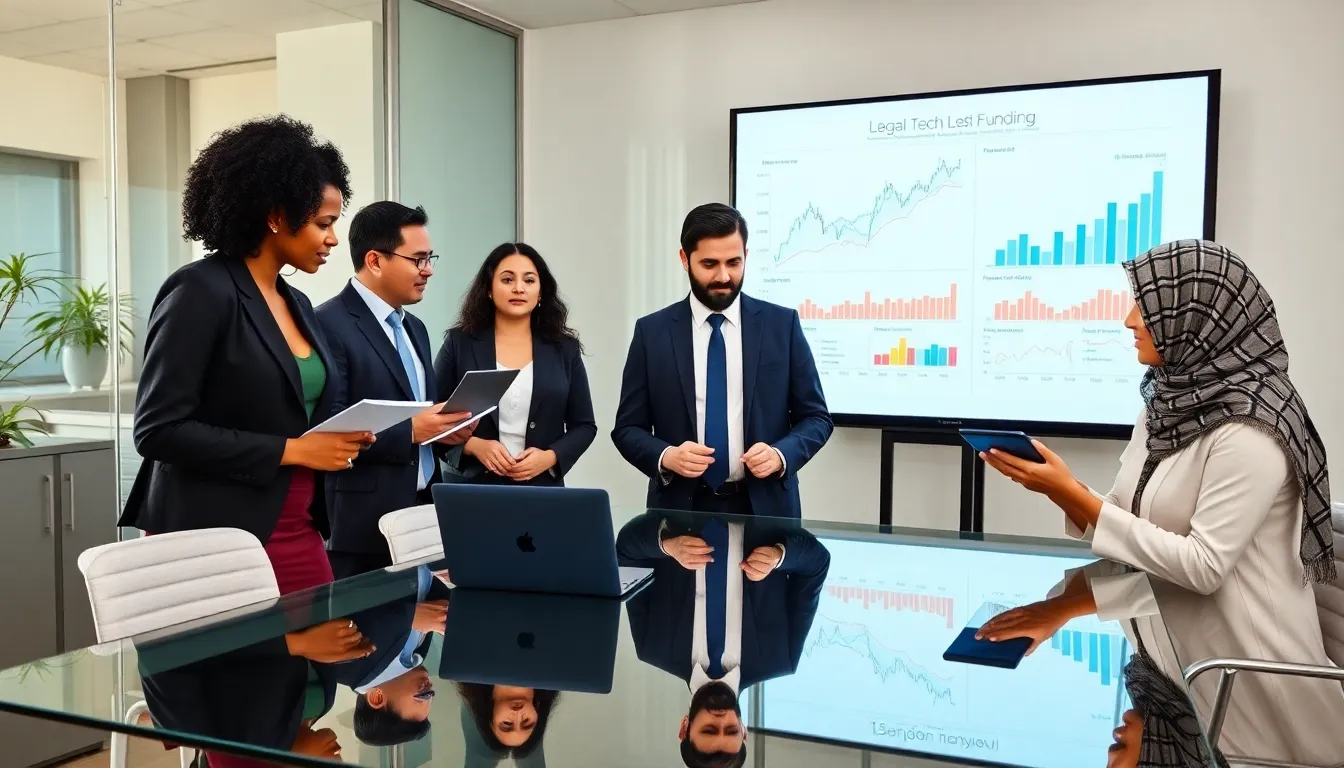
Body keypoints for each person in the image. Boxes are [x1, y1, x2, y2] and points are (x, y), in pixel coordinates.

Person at [977, 240, 1344, 764]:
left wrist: (1070, 493)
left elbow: (1202, 567)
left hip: (1254, 710)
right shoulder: (1168, 401)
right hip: (1176, 673)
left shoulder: (1251, 427)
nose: (1129, 320)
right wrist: (1061, 602)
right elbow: (1133, 525)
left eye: (1146, 307)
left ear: (1196, 317)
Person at [122, 116, 374, 596]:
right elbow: (158, 430)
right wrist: (293, 450)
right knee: (247, 668)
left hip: (299, 528)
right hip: (212, 537)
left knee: (314, 667)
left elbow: (289, 406)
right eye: (323, 223)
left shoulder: (296, 303)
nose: (334, 239)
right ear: (276, 216)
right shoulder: (200, 290)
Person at [611, 203, 832, 517]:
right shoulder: (652, 333)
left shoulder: (782, 326)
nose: (724, 276)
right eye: (710, 264)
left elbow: (817, 418)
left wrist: (781, 455)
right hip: (678, 511)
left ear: (746, 256)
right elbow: (627, 428)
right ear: (684, 260)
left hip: (767, 510)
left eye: (734, 262)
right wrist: (667, 456)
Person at [315, 202, 474, 578]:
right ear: (375, 260)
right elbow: (326, 426)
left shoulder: (415, 328)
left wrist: (449, 433)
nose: (428, 270)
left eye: (430, 258)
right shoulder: (327, 324)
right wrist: (413, 431)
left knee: (421, 633)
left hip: (425, 518)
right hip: (361, 528)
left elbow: (421, 417)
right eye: (418, 259)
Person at [616, 510, 830, 767]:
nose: (721, 718)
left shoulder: (654, 647)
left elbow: (626, 550)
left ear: (685, 727)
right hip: (760, 490)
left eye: (708, 729)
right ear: (744, 730)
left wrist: (666, 546)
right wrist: (779, 556)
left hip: (686, 487)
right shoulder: (779, 658)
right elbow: (817, 564)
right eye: (730, 730)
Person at [433, 243, 596, 485]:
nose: (519, 288)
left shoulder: (564, 348)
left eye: (529, 281)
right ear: (489, 289)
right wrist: (472, 446)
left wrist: (550, 457)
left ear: (540, 292)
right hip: (472, 491)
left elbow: (584, 425)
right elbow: (431, 417)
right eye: (507, 280)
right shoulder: (460, 343)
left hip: (542, 490)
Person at [457, 683, 560, 761]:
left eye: (507, 724)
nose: (518, 715)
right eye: (526, 722)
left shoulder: (468, 664)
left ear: (490, 713)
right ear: (536, 712)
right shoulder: (557, 669)